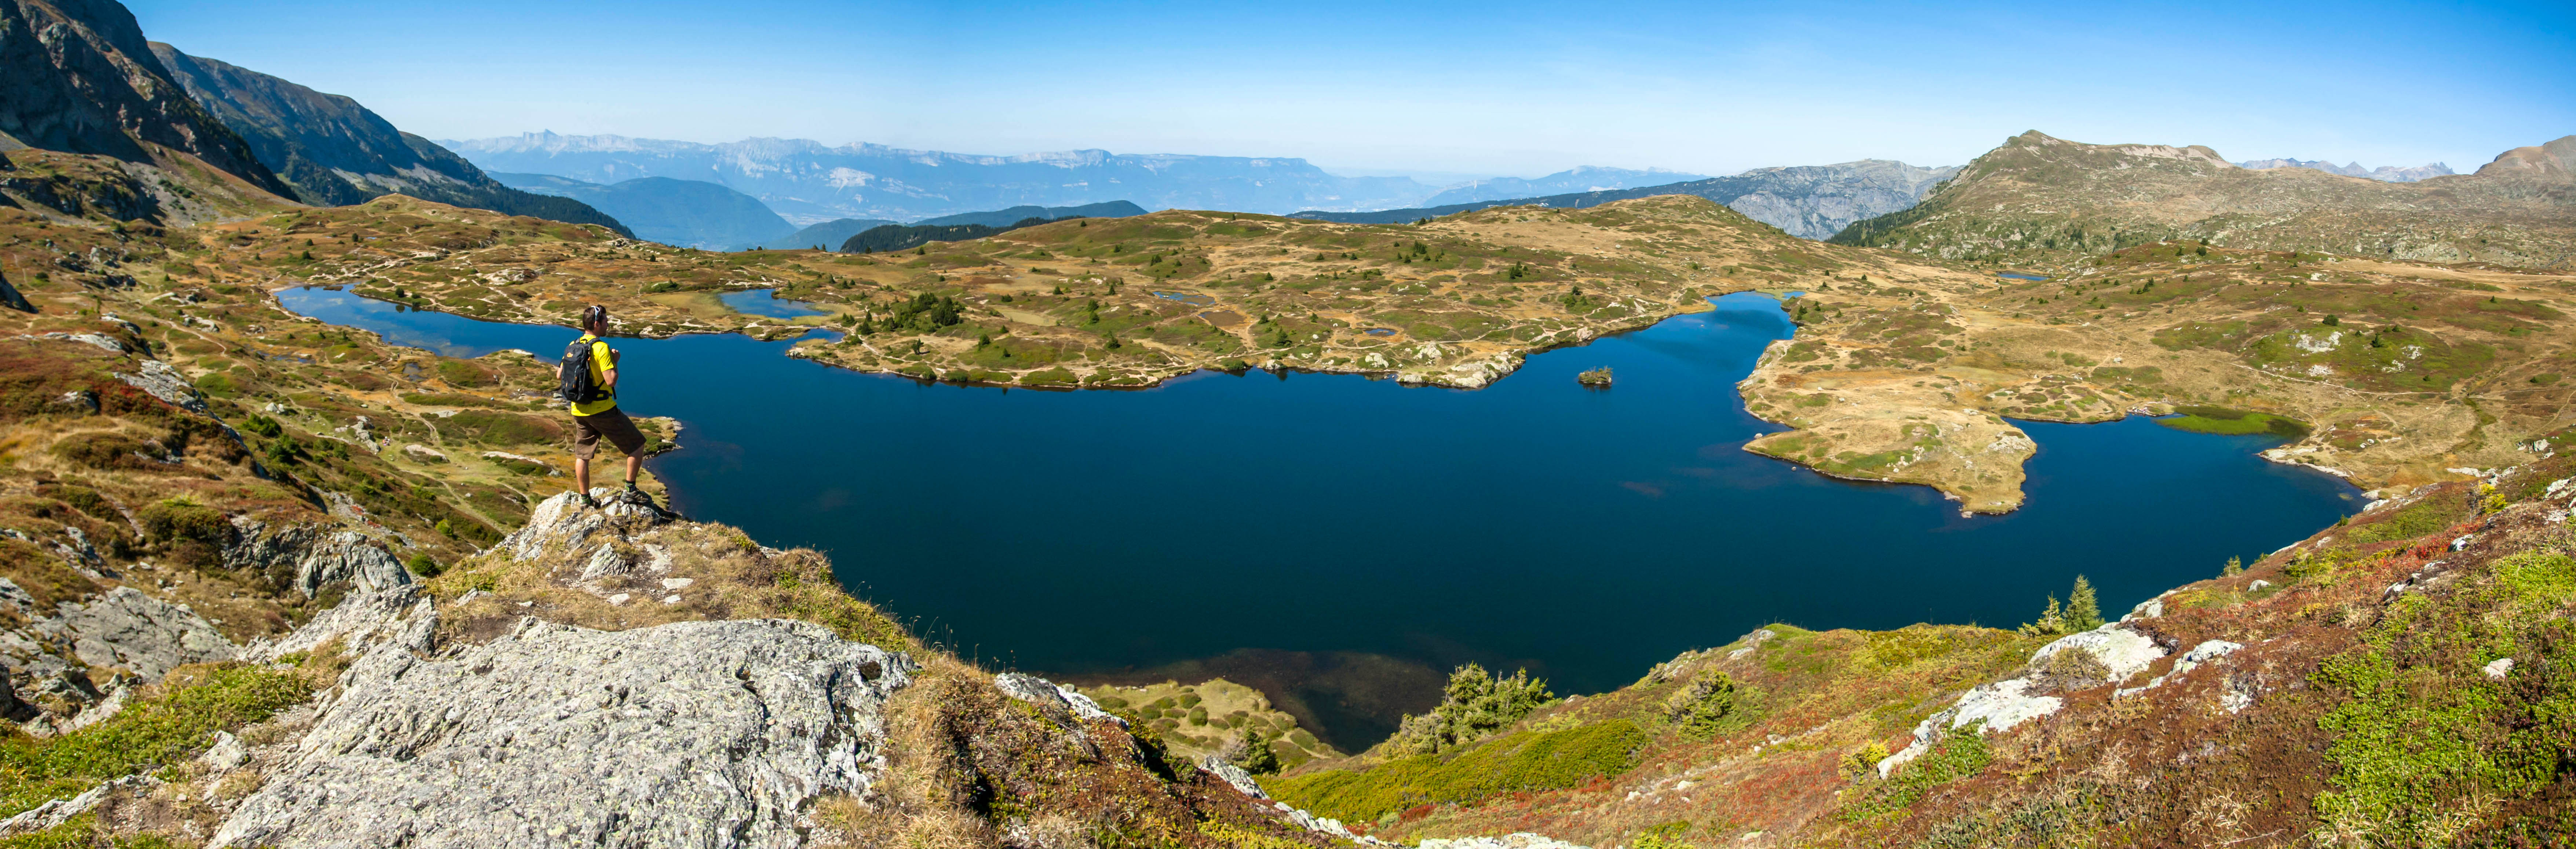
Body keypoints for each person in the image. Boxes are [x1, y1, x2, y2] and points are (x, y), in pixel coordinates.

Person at [565, 305, 649, 507]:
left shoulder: (573, 345)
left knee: (583, 456)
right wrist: (615, 361)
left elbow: (561, 375)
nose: (608, 325)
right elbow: (611, 381)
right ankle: (630, 491)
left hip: (579, 409)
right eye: (605, 321)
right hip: (603, 410)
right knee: (637, 445)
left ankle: (585, 500)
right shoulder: (601, 348)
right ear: (596, 324)